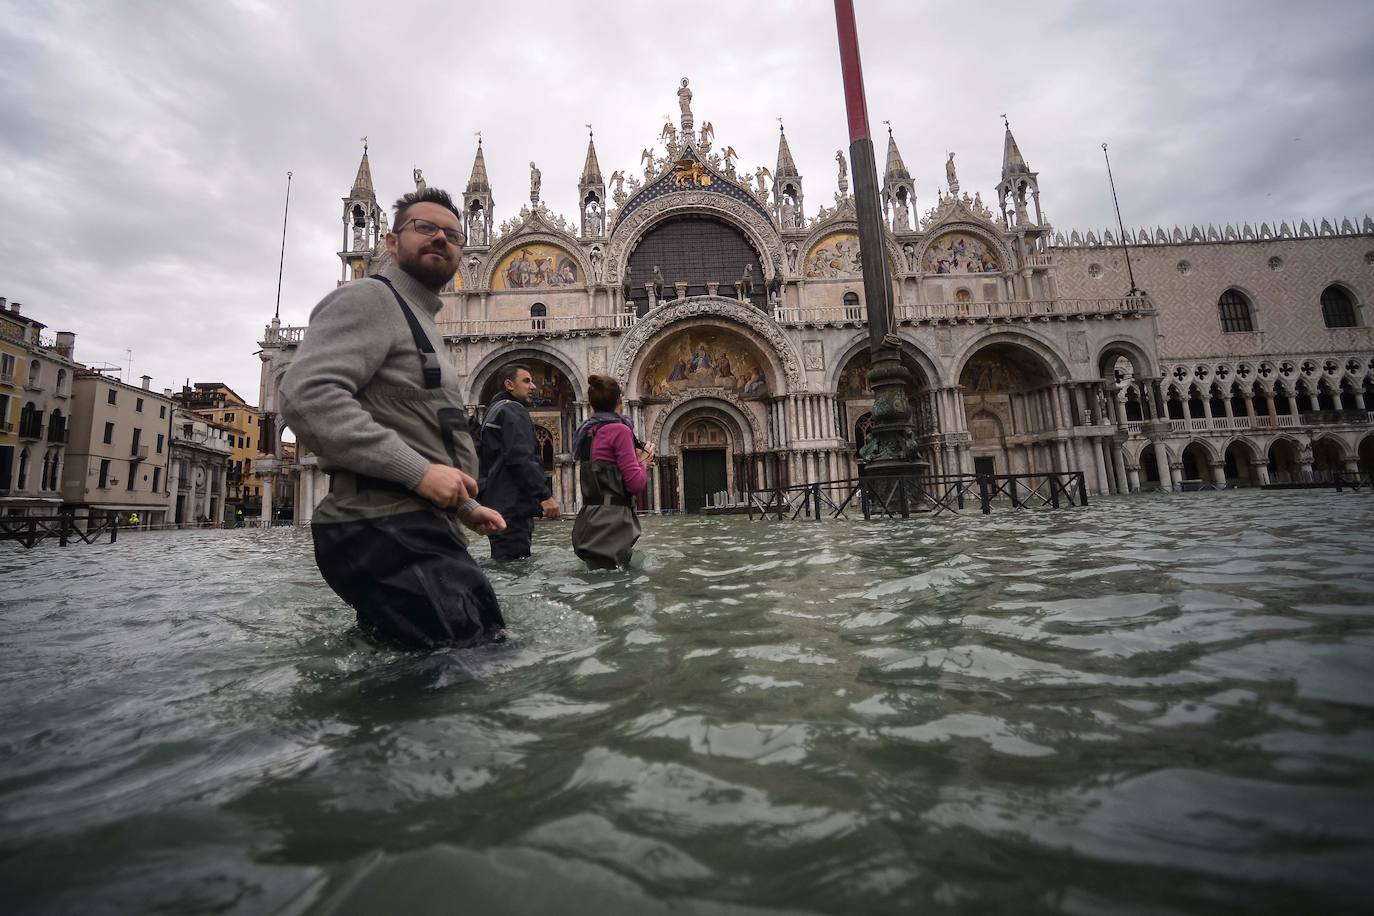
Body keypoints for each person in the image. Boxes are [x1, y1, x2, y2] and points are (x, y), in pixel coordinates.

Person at [280, 187, 508, 650]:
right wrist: (420, 473)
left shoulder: (419, 318)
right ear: (390, 241)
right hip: (386, 527)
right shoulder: (370, 299)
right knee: (468, 670)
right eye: (424, 228)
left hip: (412, 525)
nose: (440, 239)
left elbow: (421, 428)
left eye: (452, 234)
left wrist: (465, 507)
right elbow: (306, 395)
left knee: (451, 662)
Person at [477, 364, 559, 561]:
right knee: (516, 568)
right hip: (512, 508)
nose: (533, 386)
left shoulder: (493, 410)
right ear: (509, 384)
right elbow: (521, 458)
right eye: (526, 381)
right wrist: (545, 496)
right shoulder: (513, 411)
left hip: (496, 506)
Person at [570, 375, 653, 569]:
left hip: (588, 522)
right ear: (619, 400)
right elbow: (635, 484)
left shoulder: (586, 431)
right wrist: (645, 461)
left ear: (591, 404)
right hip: (612, 524)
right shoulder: (620, 430)